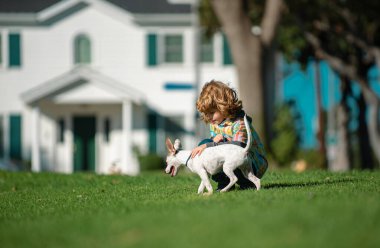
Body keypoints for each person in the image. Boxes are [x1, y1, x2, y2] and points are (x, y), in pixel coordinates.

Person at [191, 80, 268, 191]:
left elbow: (239, 148)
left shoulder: (239, 122)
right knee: (204, 146)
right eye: (206, 113)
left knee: (207, 146)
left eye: (212, 112)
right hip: (230, 160)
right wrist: (210, 144)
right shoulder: (215, 123)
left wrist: (211, 144)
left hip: (252, 163)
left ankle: (247, 182)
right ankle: (224, 182)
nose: (209, 117)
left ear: (223, 106)